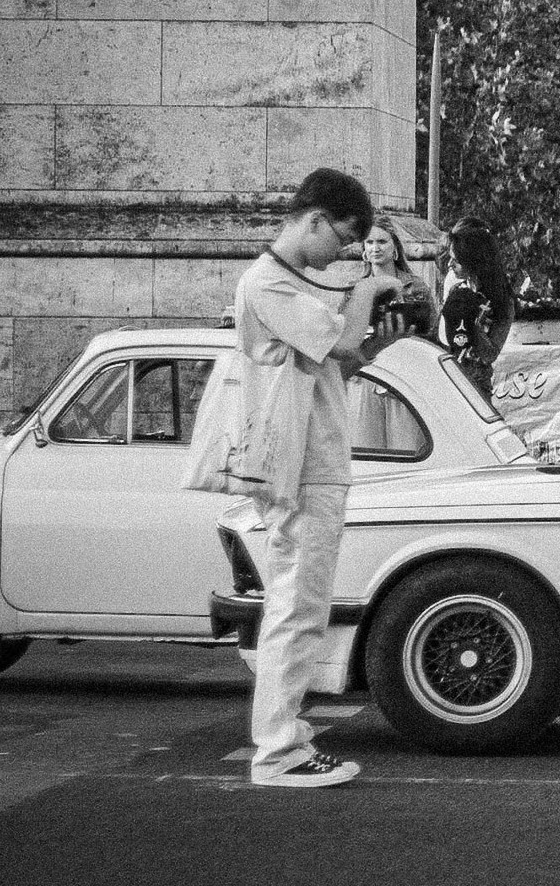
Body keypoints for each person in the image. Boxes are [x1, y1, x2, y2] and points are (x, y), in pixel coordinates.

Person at [235, 167, 402, 787]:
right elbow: (341, 336)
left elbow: (341, 359)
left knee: (302, 606)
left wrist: (372, 343)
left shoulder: (290, 284)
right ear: (314, 221)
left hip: (315, 459)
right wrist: (368, 285)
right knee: (296, 608)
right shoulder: (268, 285)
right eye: (346, 239)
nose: (346, 255)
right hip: (300, 466)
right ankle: (277, 753)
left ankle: (289, 737)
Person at [440, 226, 512, 398]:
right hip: (447, 377)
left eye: (455, 260)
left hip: (476, 384)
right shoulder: (456, 289)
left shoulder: (501, 300)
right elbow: (442, 338)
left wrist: (472, 326)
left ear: (473, 261)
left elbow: (489, 355)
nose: (450, 264)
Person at [359, 216, 435, 342]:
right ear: (364, 248)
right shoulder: (355, 289)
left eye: (382, 242)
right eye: (369, 242)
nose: (375, 248)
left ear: (395, 246)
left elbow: (431, 332)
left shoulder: (416, 286)